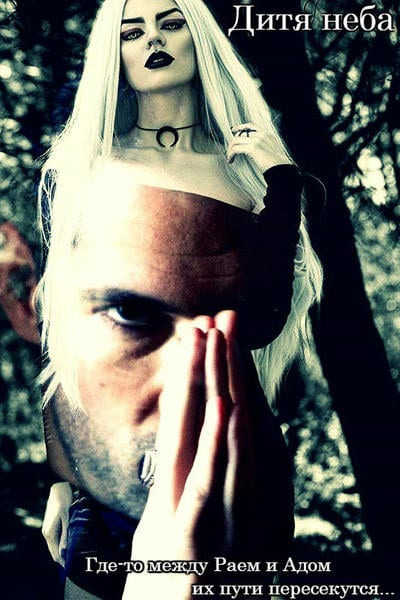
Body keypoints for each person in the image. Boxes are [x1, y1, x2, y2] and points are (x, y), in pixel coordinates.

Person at [37, 0, 323, 597]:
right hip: (109, 469)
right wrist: (62, 477)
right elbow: (70, 338)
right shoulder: (88, 169)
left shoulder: (244, 172)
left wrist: (281, 184)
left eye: (171, 23)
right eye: (132, 31)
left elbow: (263, 319)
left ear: (200, 40)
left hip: (224, 462)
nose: (153, 41)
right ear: (114, 53)